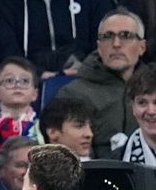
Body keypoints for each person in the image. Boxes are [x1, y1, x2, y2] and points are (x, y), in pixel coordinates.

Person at [52, 8, 146, 159]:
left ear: (142, 47)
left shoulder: (152, 89)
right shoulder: (73, 93)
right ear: (99, 47)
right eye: (107, 36)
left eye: (126, 35)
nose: (116, 44)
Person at [0, 57, 44, 150]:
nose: (17, 85)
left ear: (35, 94)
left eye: (25, 81)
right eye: (9, 81)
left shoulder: (43, 129)